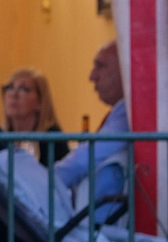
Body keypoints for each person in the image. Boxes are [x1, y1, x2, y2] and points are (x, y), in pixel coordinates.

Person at [54, 41, 127, 208]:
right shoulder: (121, 112)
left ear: (124, 69)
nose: (92, 77)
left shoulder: (127, 115)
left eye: (100, 66)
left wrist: (43, 183)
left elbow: (84, 159)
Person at [1, 67, 70, 166]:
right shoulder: (0, 139)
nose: (14, 94)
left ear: (40, 101)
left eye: (23, 89)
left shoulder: (52, 140)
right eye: (10, 87)